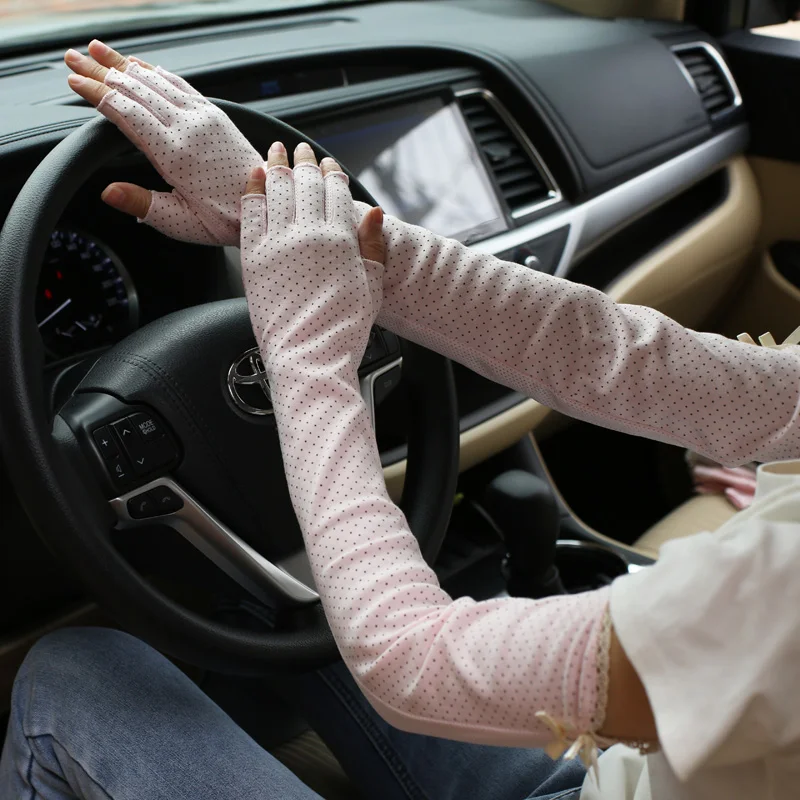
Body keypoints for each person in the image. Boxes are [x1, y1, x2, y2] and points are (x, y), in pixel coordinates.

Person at [3, 39, 800, 800]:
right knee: (275, 598)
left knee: (73, 672)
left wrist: (307, 347)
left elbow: (408, 666)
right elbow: (633, 360)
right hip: (626, 769)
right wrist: (288, 216)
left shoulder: (772, 601)